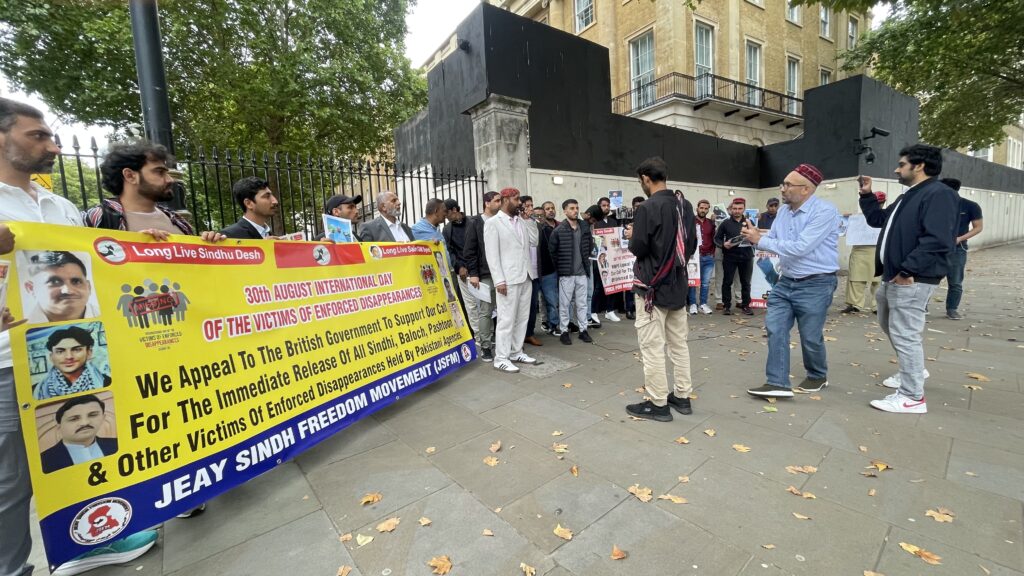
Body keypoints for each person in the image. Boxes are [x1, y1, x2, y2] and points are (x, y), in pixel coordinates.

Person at [0, 97, 157, 576]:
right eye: (38, 136)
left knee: (82, 450)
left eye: (51, 135)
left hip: (79, 351)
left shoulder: (61, 206)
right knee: (10, 481)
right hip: (6, 363)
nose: (53, 145)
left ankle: (90, 539)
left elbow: (100, 268)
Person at [861, 144, 959, 414]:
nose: (897, 168)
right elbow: (878, 219)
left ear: (919, 166)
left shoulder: (939, 194)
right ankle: (913, 371)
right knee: (890, 326)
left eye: (902, 164)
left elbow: (937, 240)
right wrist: (867, 195)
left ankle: (912, 396)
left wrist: (908, 271)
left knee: (905, 333)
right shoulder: (910, 196)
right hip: (894, 276)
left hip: (911, 278)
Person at [741, 164, 841, 398]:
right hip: (786, 281)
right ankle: (777, 382)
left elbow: (801, 248)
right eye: (782, 184)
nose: (782, 189)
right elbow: (774, 238)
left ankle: (817, 374)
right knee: (775, 329)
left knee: (810, 336)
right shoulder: (784, 212)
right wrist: (756, 235)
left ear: (805, 189)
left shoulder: (825, 212)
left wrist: (761, 240)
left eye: (787, 184)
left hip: (816, 283)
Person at [625, 157, 698, 422]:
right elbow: (690, 245)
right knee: (679, 345)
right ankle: (682, 396)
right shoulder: (684, 205)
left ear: (646, 178)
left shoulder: (647, 207)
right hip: (678, 284)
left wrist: (633, 235)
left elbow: (638, 248)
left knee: (653, 348)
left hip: (651, 289)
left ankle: (657, 403)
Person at [86, 141, 220, 241]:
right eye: (160, 172)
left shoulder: (178, 221)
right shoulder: (99, 218)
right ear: (130, 176)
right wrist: (134, 246)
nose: (170, 180)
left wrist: (211, 245)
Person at [483, 188, 538, 373]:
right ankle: (501, 357)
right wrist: (499, 280)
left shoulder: (521, 221)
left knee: (522, 318)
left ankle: (516, 351)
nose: (520, 203)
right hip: (507, 279)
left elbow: (534, 242)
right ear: (506, 200)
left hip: (525, 276)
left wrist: (529, 220)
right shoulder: (493, 223)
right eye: (516, 199)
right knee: (506, 319)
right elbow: (492, 255)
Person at [548, 199, 593, 345]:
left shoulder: (584, 227)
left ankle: (583, 330)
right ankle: (564, 331)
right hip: (566, 274)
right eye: (572, 208)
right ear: (565, 211)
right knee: (565, 304)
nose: (575, 211)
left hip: (582, 273)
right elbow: (552, 252)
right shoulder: (559, 230)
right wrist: (561, 268)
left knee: (582, 303)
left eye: (577, 208)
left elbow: (589, 245)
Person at [464, 191, 502, 361]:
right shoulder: (475, 223)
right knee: (486, 311)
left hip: (502, 272)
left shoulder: (501, 221)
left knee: (504, 310)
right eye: (497, 201)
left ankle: (502, 343)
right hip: (485, 273)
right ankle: (485, 346)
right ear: (487, 203)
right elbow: (470, 250)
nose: (500, 203)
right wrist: (474, 274)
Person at [40, 394, 118, 474]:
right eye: (74, 419)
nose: (85, 423)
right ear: (59, 426)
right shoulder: (43, 461)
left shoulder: (117, 444)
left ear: (103, 418)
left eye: (93, 415)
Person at [940, 178, 983, 320]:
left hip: (958, 248)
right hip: (935, 247)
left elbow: (978, 227)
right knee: (926, 278)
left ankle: (952, 309)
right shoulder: (935, 205)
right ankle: (923, 307)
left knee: (955, 281)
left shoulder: (970, 206)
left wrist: (960, 238)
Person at [34, 327, 110, 400]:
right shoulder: (36, 390)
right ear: (51, 357)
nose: (69, 356)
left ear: (89, 353)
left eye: (76, 350)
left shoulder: (106, 382)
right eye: (60, 351)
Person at [22, 251, 98, 323]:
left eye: (76, 281)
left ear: (89, 287)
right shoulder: (14, 329)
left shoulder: (109, 317)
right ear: (31, 289)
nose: (68, 290)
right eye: (54, 282)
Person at [842, 191, 885, 314]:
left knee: (877, 281)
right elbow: (842, 229)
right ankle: (857, 304)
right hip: (864, 251)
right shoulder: (856, 218)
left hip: (877, 251)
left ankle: (875, 305)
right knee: (857, 280)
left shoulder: (884, 216)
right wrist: (846, 220)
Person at [714, 198, 754, 315]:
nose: (737, 211)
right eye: (734, 209)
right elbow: (717, 238)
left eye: (740, 208)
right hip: (730, 256)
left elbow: (756, 237)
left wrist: (753, 240)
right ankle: (726, 306)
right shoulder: (725, 223)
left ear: (744, 209)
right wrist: (723, 244)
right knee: (727, 281)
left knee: (745, 282)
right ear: (731, 209)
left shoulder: (749, 222)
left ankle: (746, 306)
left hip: (746, 257)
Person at [518, 195, 543, 347]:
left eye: (531, 205)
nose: (530, 208)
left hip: (534, 271)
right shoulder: (515, 222)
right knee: (519, 306)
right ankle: (518, 335)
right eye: (526, 205)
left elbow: (535, 242)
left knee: (533, 305)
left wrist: (529, 221)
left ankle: (529, 333)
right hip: (521, 272)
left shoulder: (534, 223)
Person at [536, 201, 560, 334]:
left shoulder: (552, 229)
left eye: (540, 216)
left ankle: (554, 325)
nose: (539, 218)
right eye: (536, 216)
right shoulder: (529, 229)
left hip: (549, 271)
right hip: (533, 272)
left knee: (552, 301)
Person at [691, 199, 716, 314]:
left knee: (705, 283)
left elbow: (715, 237)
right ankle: (692, 304)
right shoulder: (690, 221)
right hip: (694, 257)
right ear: (697, 208)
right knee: (693, 282)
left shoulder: (711, 223)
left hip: (708, 257)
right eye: (701, 208)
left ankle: (703, 304)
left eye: (706, 208)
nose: (703, 210)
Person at [411, 198, 451, 266]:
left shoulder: (436, 229)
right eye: (444, 211)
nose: (446, 214)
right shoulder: (416, 229)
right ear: (436, 211)